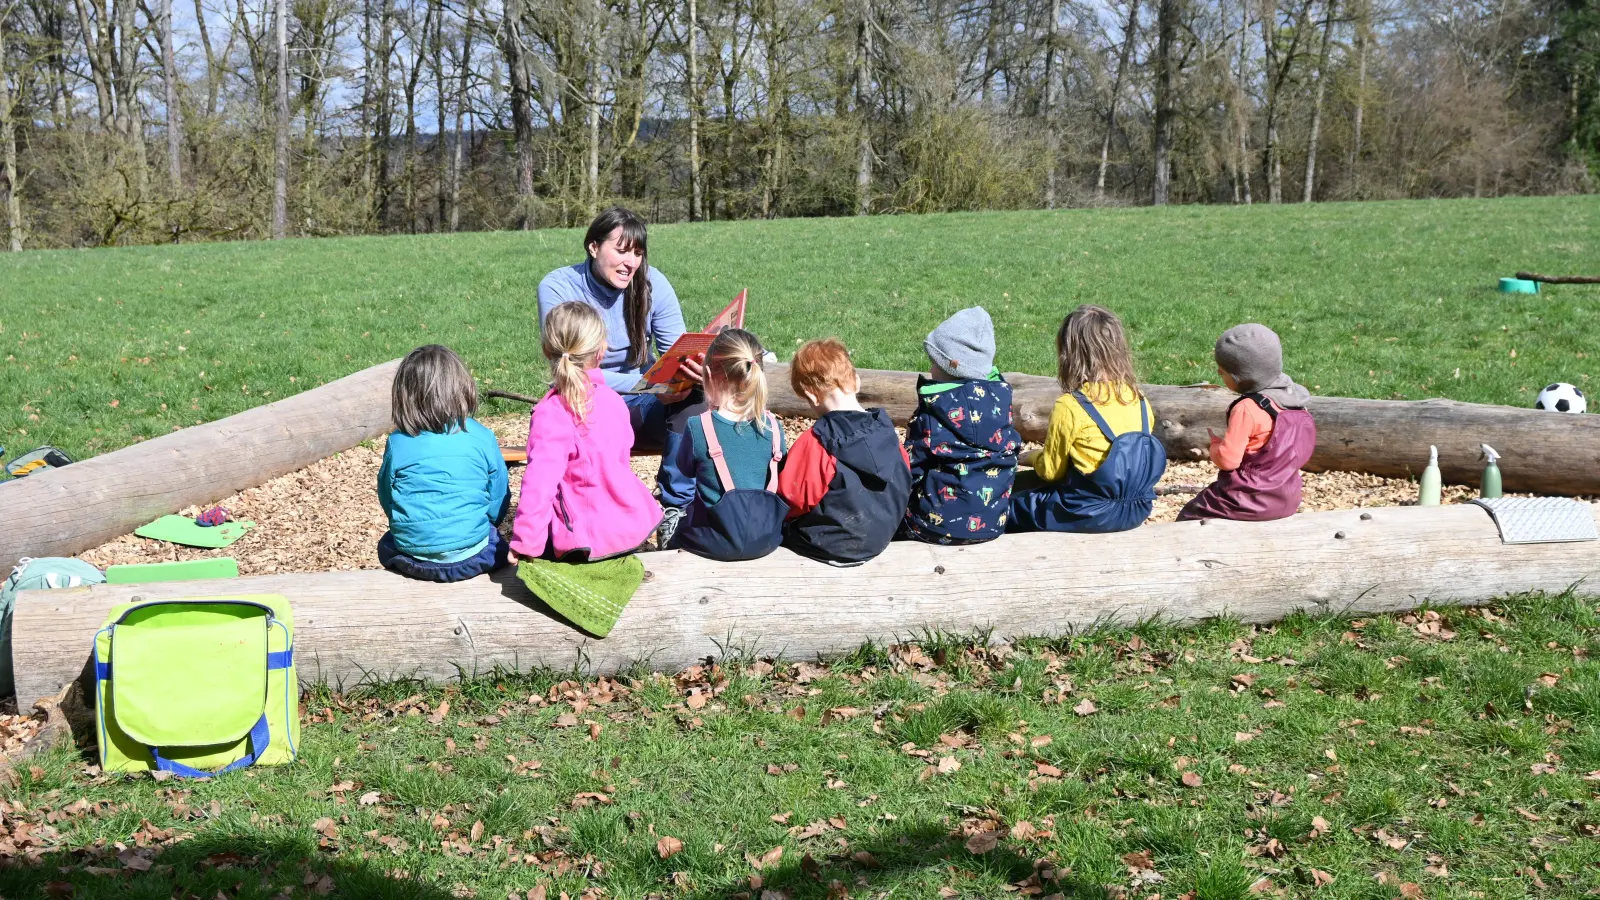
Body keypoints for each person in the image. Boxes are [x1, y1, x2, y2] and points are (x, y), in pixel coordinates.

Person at [537, 207, 702, 451]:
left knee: (697, 402)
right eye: (621, 251)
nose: (631, 263)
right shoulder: (557, 287)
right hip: (585, 401)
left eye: (637, 253)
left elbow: (676, 353)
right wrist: (652, 384)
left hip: (643, 401)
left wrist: (689, 373)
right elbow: (573, 372)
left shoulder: (653, 282)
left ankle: (675, 490)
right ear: (594, 247)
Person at [509, 302, 662, 562]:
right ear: (601, 352)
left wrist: (525, 542)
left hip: (582, 539)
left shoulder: (553, 412)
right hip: (628, 525)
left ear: (547, 350)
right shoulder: (614, 400)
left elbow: (540, 483)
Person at [1008, 305, 1165, 534]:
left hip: (1086, 512)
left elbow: (1050, 472)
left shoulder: (1071, 406)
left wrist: (1029, 457)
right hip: (1136, 508)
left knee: (1001, 507)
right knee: (1024, 486)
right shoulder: (1138, 400)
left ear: (1067, 353)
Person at [377, 345, 511, 582]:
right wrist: (486, 522)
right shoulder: (481, 436)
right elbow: (498, 495)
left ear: (404, 396)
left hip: (413, 560)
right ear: (462, 388)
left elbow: (388, 496)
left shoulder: (398, 442)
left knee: (387, 544)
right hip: (473, 558)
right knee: (499, 545)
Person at [657, 329, 790, 560]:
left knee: (679, 522)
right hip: (765, 540)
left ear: (707, 375)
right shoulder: (773, 427)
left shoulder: (698, 427)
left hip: (711, 542)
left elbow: (685, 469)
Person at [779, 338, 912, 566]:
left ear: (811, 396)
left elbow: (793, 498)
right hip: (880, 538)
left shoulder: (817, 441)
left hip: (827, 544)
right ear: (857, 382)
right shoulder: (887, 431)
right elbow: (904, 473)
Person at [902, 307, 1021, 544]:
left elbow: (911, 468)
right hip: (994, 523)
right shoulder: (1001, 401)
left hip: (934, 527)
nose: (930, 369)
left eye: (934, 362)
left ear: (949, 366)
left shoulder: (935, 410)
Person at [1179, 324, 1316, 521]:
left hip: (1248, 499)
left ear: (1239, 378)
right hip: (1288, 496)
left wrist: (1215, 447)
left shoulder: (1248, 408)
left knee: (1193, 514)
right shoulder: (1297, 402)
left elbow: (1228, 460)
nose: (1219, 374)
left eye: (1222, 373)